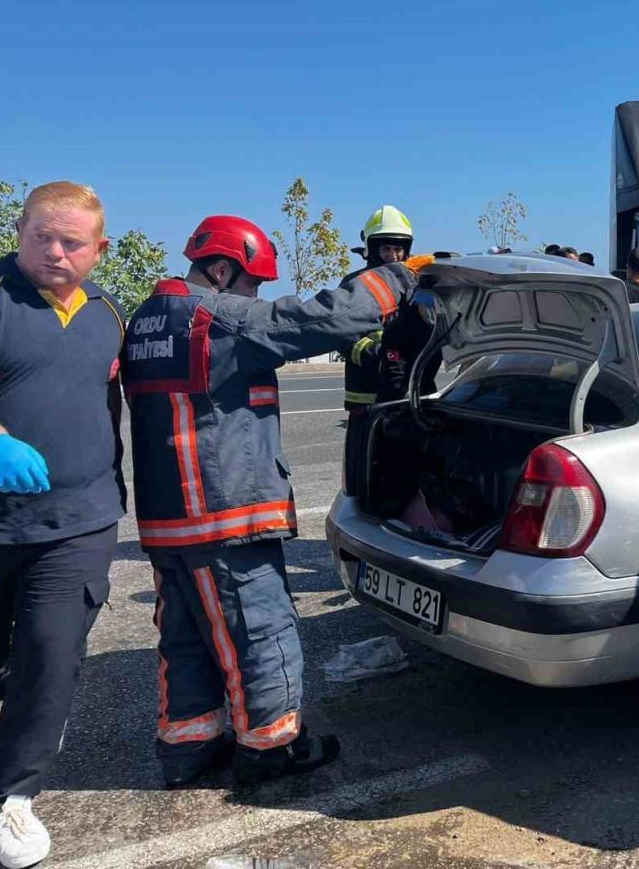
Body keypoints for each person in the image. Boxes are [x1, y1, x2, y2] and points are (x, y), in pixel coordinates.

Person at [123, 215, 422, 789]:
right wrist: (399, 276)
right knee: (260, 628)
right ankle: (272, 747)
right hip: (225, 511)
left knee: (186, 637)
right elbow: (322, 319)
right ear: (221, 270)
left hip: (168, 518)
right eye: (253, 284)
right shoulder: (217, 318)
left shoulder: (146, 320)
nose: (256, 297)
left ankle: (188, 745)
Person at [0, 182, 126, 869]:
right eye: (42, 235)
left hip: (79, 521)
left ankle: (9, 799)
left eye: (72, 242)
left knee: (50, 654)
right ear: (19, 230)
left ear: (98, 249)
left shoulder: (108, 314)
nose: (54, 251)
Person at [341, 206, 414, 412]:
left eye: (398, 249)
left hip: (404, 391)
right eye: (386, 249)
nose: (393, 255)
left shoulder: (413, 284)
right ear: (372, 249)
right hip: (365, 392)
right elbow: (340, 334)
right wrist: (375, 353)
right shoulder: (355, 284)